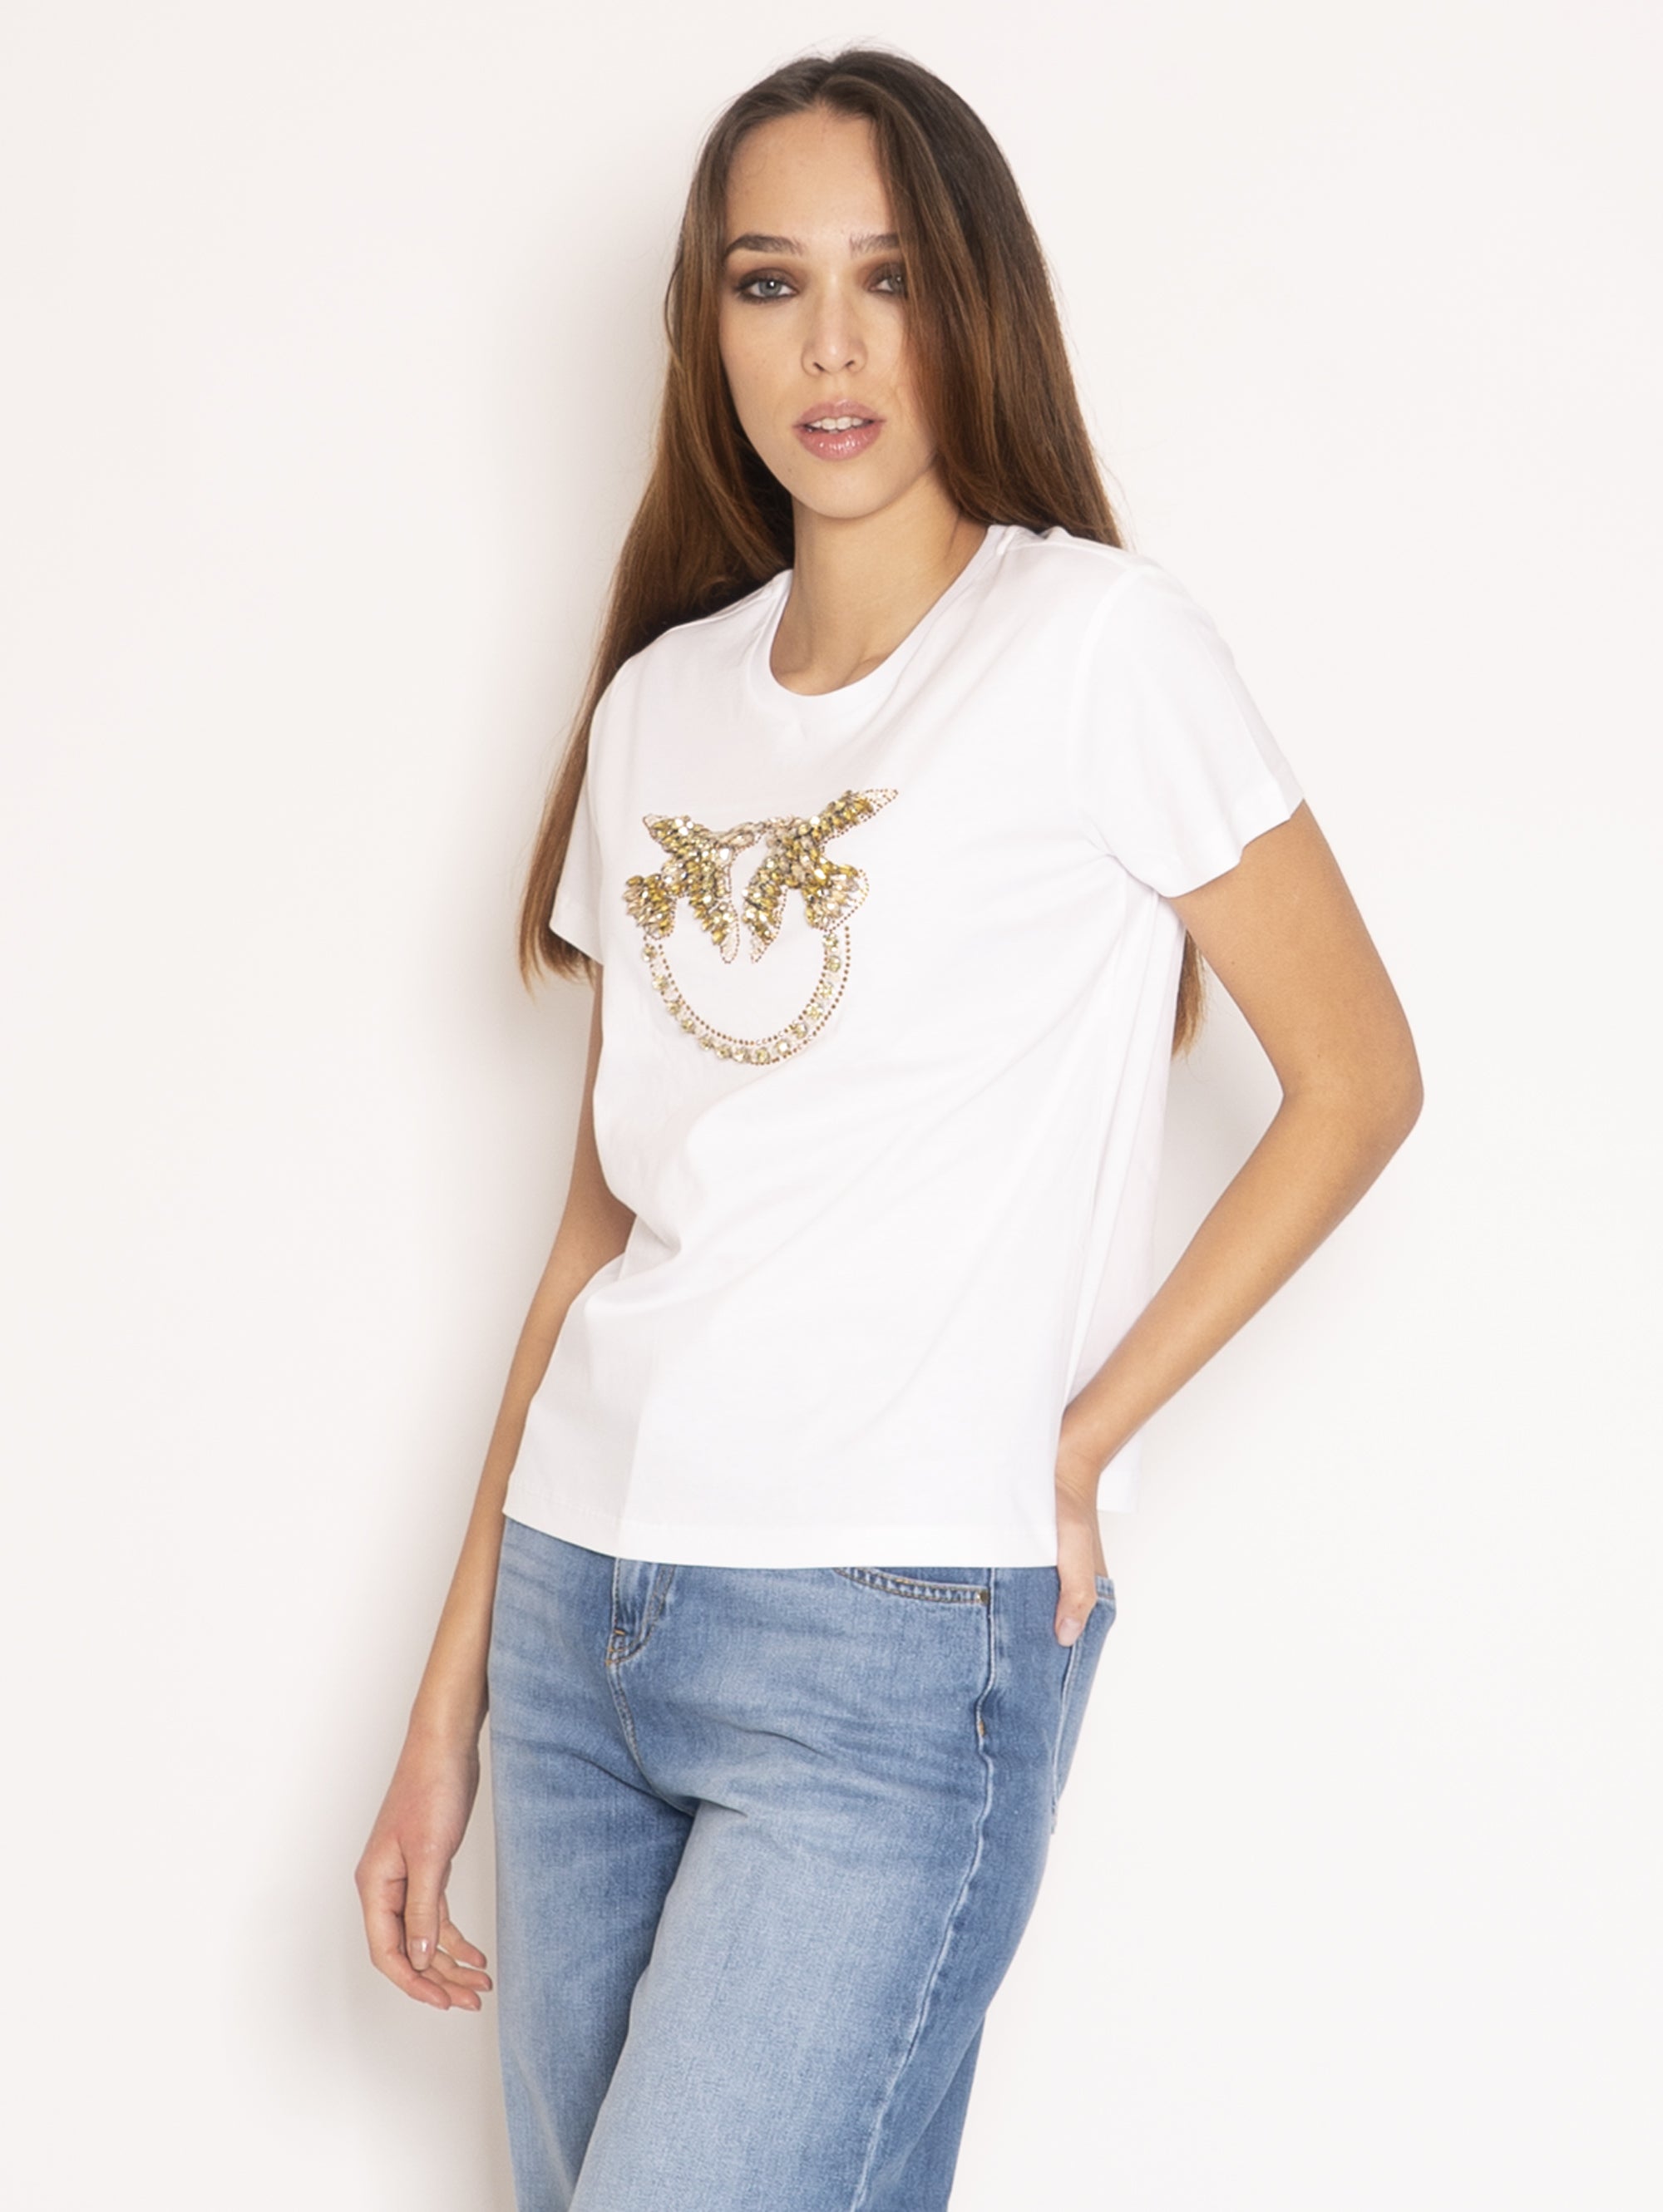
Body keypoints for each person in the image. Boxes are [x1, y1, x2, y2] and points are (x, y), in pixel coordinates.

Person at [355, 45, 1423, 2212]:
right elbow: (597, 1235)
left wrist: (1076, 1445)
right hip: (580, 1622)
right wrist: (444, 1698)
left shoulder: (1096, 645)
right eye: (771, 283)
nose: (831, 345)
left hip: (892, 1631)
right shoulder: (660, 704)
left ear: (974, 304)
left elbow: (1360, 1078)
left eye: (891, 278)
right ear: (710, 326)